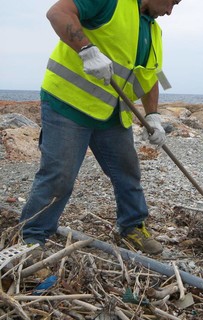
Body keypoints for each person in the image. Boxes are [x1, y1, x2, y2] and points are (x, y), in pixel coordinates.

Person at [19, 0, 182, 255]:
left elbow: (151, 76)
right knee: (59, 176)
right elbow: (57, 13)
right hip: (69, 104)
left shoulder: (153, 31)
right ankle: (32, 239)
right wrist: (87, 50)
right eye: (172, 1)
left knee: (128, 172)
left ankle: (131, 228)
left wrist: (153, 116)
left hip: (112, 115)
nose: (170, 11)